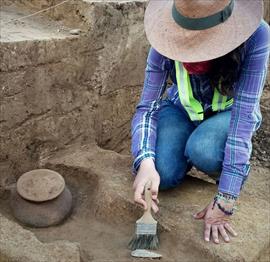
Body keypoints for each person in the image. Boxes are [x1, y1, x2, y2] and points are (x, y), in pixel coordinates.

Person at [131, 0, 270, 244]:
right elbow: (148, 107)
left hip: (228, 115)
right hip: (182, 109)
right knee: (161, 173)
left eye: (201, 45)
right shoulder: (164, 35)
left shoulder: (256, 36)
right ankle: (181, 153)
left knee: (202, 149)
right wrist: (145, 161)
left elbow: (243, 118)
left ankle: (218, 169)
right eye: (185, 43)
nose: (191, 53)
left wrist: (227, 198)